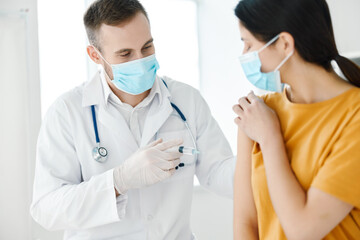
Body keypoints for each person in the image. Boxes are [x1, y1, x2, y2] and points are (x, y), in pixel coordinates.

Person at [30, 0, 235, 239]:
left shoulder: (186, 100)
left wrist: (264, 153)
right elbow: (47, 209)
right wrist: (118, 180)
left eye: (147, 47)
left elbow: (218, 172)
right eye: (125, 54)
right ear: (95, 55)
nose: (140, 60)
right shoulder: (67, 112)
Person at [232, 0, 360, 239]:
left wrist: (270, 138)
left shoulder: (354, 117)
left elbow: (303, 230)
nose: (244, 56)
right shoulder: (257, 112)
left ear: (284, 44)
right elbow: (246, 222)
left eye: (248, 44)